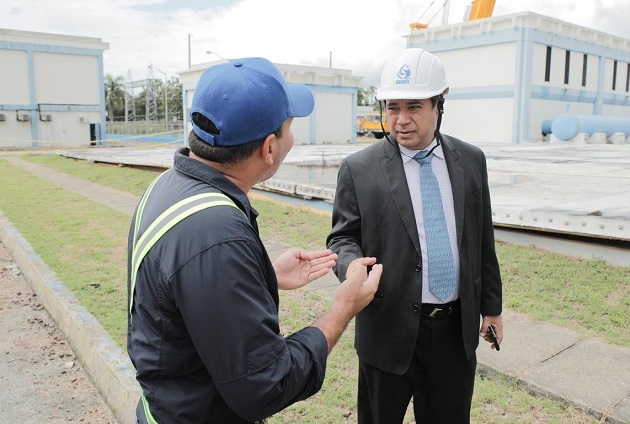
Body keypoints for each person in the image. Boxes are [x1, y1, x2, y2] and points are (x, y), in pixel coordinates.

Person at [126, 57, 383, 424]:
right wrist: (342, 307)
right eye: (289, 128)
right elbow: (266, 384)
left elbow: (182, 295)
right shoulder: (217, 237)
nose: (292, 138)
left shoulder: (169, 187)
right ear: (268, 148)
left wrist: (261, 276)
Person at [326, 48, 503, 423]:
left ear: (439, 105)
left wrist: (492, 308)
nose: (401, 119)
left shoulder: (472, 161)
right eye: (392, 107)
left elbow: (482, 241)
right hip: (387, 330)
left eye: (414, 106)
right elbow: (342, 238)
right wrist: (351, 265)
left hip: (455, 335)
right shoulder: (359, 169)